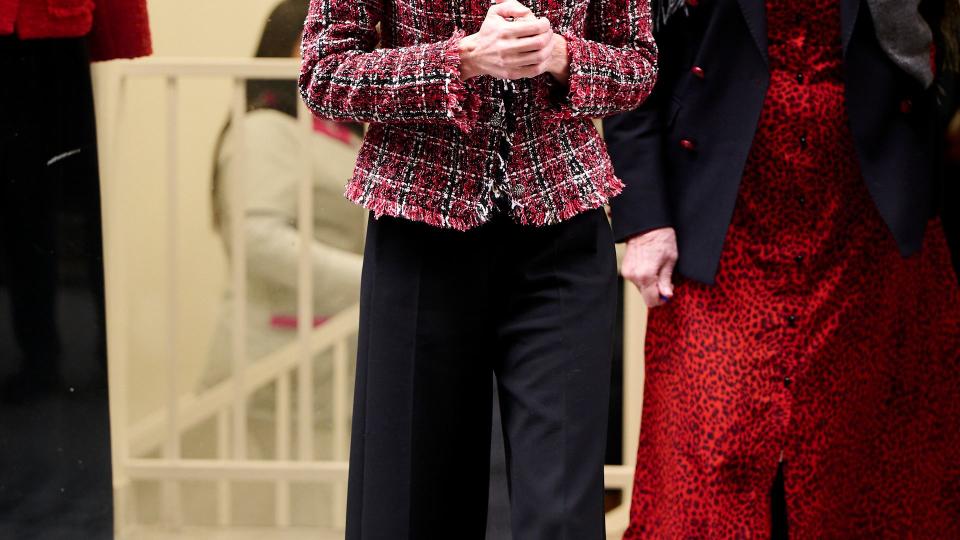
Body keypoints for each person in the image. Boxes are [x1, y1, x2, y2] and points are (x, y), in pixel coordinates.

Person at [299, 0, 657, 537]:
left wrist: (562, 56)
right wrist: (462, 58)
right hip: (419, 224)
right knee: (407, 507)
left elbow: (639, 66)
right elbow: (323, 73)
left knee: (561, 511)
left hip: (561, 225)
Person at [605, 0, 960, 537]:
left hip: (866, 224)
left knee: (857, 472)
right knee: (709, 457)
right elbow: (627, 57)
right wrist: (645, 217)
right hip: (724, 220)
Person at [202, 0, 366, 401]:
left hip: (325, 361)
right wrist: (371, 278)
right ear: (281, 52)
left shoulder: (344, 134)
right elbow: (258, 241)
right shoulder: (264, 129)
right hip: (271, 365)